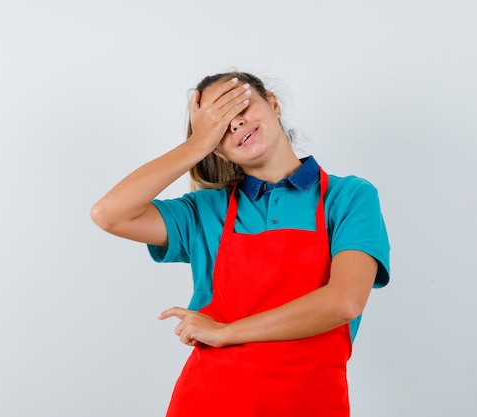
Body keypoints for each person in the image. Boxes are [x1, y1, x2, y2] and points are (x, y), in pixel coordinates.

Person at [90, 71, 390, 417]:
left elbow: (345, 301)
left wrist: (225, 333)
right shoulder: (205, 211)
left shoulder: (348, 197)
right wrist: (197, 144)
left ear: (273, 103)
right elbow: (108, 214)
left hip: (309, 404)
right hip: (206, 403)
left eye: (240, 107)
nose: (233, 125)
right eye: (217, 124)